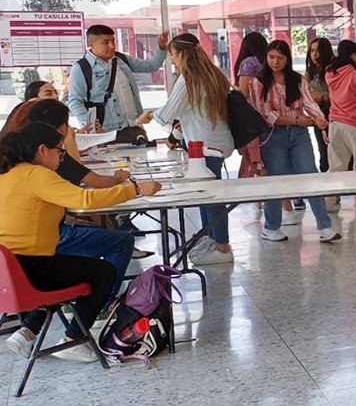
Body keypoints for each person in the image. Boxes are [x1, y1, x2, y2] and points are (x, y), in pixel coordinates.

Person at [1, 122, 160, 362]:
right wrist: (134, 190)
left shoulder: (9, 173)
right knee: (102, 271)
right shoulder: (37, 175)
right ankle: (73, 339)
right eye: (60, 152)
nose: (61, 158)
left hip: (10, 268)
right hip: (31, 268)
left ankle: (27, 331)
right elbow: (85, 199)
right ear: (43, 150)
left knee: (69, 268)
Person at [137, 33, 236, 265]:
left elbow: (166, 114)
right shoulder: (213, 74)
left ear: (181, 54)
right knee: (206, 194)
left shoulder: (188, 79)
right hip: (215, 143)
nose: (172, 60)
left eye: (172, 55)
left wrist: (149, 115)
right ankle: (211, 239)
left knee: (210, 197)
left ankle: (222, 246)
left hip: (205, 145)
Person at [249, 40, 340, 244]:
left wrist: (318, 118)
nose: (275, 62)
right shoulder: (259, 82)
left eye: (280, 58)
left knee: (310, 176)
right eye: (271, 57)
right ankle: (271, 227)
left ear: (287, 59)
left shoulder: (297, 80)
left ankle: (325, 226)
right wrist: (299, 120)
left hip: (299, 135)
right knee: (276, 180)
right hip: (274, 136)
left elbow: (308, 102)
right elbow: (265, 114)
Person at [232, 32, 296, 223]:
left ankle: (283, 208)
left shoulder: (249, 63)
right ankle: (264, 204)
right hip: (272, 119)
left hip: (253, 122)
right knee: (267, 164)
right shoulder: (268, 64)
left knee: (260, 165)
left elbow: (244, 95)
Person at [67, 25, 168, 139]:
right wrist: (90, 127)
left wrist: (161, 48)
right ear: (91, 43)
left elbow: (150, 66)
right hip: (105, 132)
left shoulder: (121, 59)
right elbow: (75, 101)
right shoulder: (82, 67)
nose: (111, 46)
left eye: (113, 41)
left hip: (134, 126)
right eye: (105, 42)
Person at [325, 39, 356, 213]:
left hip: (335, 123)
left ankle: (328, 202)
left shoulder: (330, 74)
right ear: (352, 55)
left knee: (336, 166)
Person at [306, 36, 334, 174]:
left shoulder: (332, 70)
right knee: (322, 150)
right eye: (311, 51)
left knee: (334, 151)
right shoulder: (310, 72)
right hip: (317, 114)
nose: (314, 55)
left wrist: (322, 97)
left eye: (318, 51)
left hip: (332, 113)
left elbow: (339, 94)